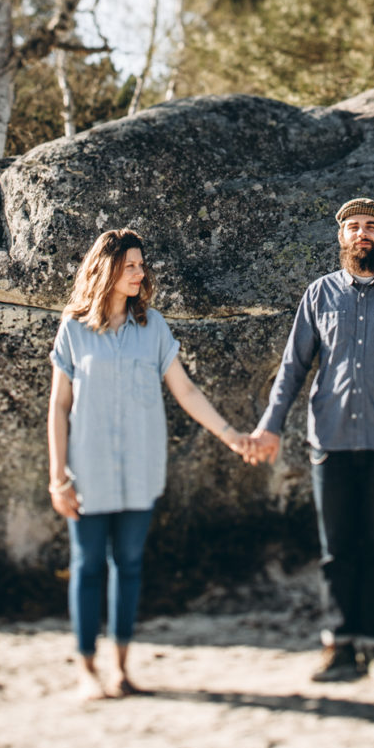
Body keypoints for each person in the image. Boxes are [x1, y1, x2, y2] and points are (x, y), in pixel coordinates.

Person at [48, 227, 247, 701]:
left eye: (141, 264)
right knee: (88, 565)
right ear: (108, 268)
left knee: (130, 565)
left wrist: (230, 435)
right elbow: (58, 405)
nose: (140, 272)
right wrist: (58, 477)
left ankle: (120, 668)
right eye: (131, 265)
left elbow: (186, 391)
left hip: (141, 468)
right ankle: (86, 669)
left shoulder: (152, 326)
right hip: (88, 470)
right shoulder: (74, 327)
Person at [247, 197, 374, 682]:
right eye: (352, 227)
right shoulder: (318, 295)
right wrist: (270, 424)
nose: (361, 234)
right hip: (329, 442)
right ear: (340, 238)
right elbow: (292, 368)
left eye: (370, 227)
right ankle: (338, 646)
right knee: (336, 550)